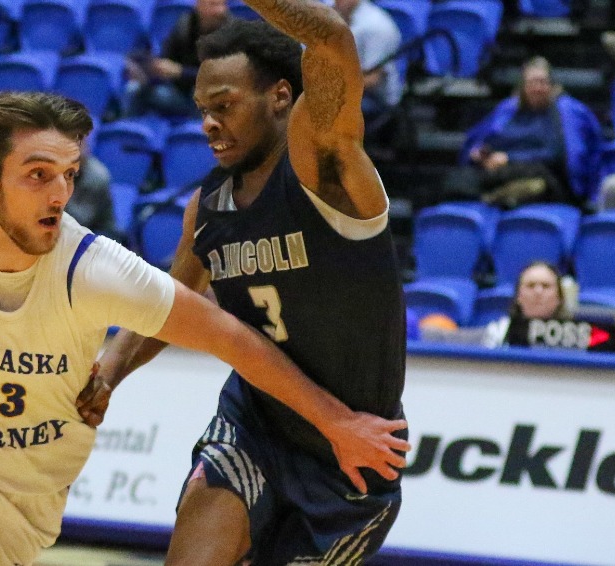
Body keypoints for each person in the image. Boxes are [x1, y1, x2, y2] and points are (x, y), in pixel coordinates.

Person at [0, 92, 408, 566]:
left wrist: (338, 422)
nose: (61, 192)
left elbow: (229, 336)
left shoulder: (93, 269)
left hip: (23, 492)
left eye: (70, 173)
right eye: (39, 174)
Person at [80, 5, 411, 563]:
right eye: (204, 109)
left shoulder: (323, 166)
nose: (209, 122)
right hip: (252, 425)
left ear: (281, 96)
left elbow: (330, 39)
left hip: (350, 449)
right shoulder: (207, 207)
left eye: (226, 105)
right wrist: (107, 377)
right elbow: (168, 306)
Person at [442, 56, 603, 209]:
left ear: (551, 86)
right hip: (499, 173)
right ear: (523, 87)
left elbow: (557, 155)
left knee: (536, 185)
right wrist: (481, 154)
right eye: (532, 83)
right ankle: (491, 198)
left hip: (542, 176)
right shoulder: (509, 111)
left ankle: (496, 198)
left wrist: (508, 158)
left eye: (542, 82)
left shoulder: (561, 114)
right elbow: (486, 139)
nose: (537, 88)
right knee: (456, 181)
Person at [125, 0, 231, 118]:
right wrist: (150, 69)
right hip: (180, 92)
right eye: (214, 5)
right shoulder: (185, 25)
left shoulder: (231, 33)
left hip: (216, 98)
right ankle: (129, 131)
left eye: (223, 5)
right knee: (135, 89)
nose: (221, 10)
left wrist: (181, 72)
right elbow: (167, 58)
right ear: (200, 6)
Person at [331, 0, 402, 130]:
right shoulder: (341, 18)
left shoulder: (376, 26)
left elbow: (373, 78)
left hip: (376, 100)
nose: (334, 2)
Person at [482, 261, 572, 348]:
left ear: (559, 298)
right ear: (518, 297)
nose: (538, 292)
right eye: (530, 285)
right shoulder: (499, 332)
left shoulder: (574, 335)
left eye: (546, 286)